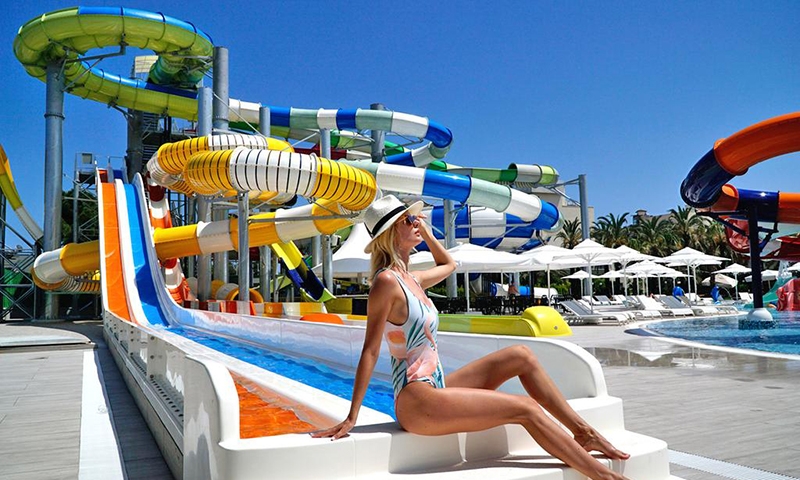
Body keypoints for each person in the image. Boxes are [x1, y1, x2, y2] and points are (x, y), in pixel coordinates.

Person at [313, 195, 631, 480]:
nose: (416, 223)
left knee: (521, 355)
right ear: (392, 232)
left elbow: (449, 264)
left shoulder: (413, 279)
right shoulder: (386, 283)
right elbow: (370, 351)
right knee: (526, 408)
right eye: (409, 220)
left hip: (435, 386)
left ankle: (583, 432)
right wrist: (352, 416)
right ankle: (604, 477)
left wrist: (429, 234)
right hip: (415, 400)